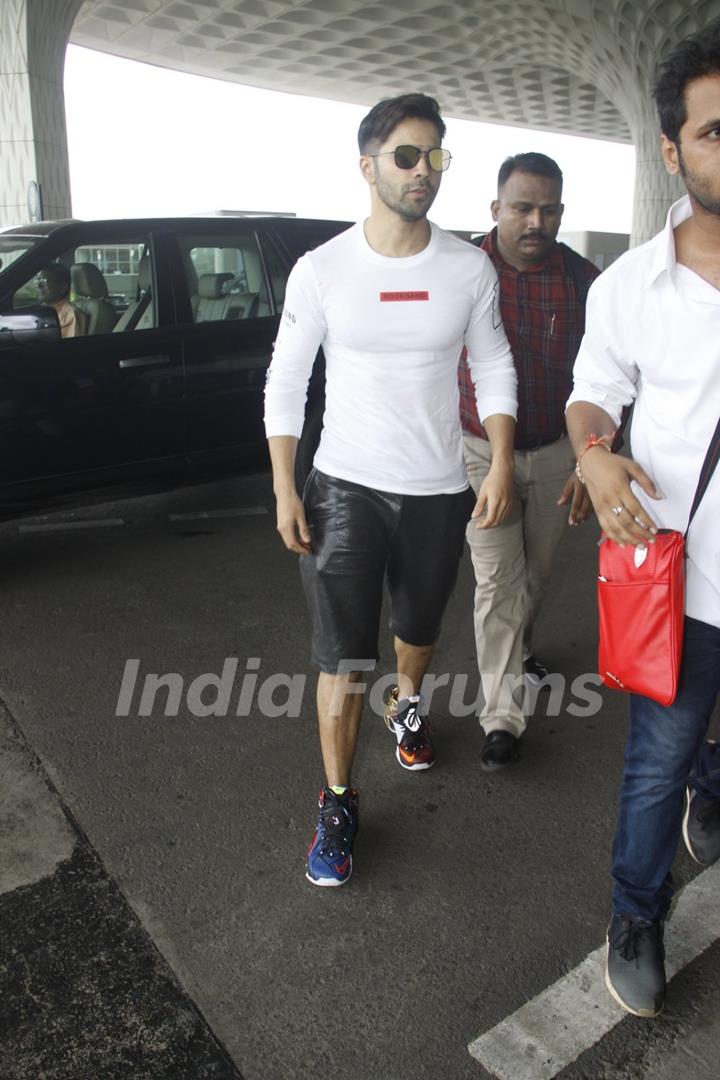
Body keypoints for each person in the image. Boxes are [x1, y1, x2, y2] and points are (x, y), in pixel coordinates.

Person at [264, 92, 517, 887]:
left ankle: (408, 702)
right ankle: (338, 801)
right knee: (341, 658)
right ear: (367, 166)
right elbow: (284, 381)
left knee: (417, 627)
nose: (423, 171)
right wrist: (284, 487)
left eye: (435, 156)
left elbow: (495, 365)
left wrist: (503, 461)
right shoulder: (324, 269)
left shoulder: (468, 268)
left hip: (440, 488)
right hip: (344, 487)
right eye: (407, 156)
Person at [566, 19, 720, 1018]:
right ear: (673, 149)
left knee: (696, 758)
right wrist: (592, 450)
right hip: (689, 583)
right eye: (717, 132)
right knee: (654, 766)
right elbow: (590, 393)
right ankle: (635, 911)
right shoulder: (633, 285)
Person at [458, 153, 599, 771]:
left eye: (548, 209)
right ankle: (502, 719)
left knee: (534, 575)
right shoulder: (462, 271)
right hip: (477, 452)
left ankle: (522, 648)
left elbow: (606, 379)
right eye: (522, 207)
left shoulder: (584, 282)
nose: (535, 221)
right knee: (498, 579)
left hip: (554, 454)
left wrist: (591, 460)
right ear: (496, 210)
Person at [36, 263, 87, 338]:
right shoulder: (41, 310)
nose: (38, 285)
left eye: (44, 281)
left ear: (63, 287)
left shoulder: (71, 316)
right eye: (37, 281)